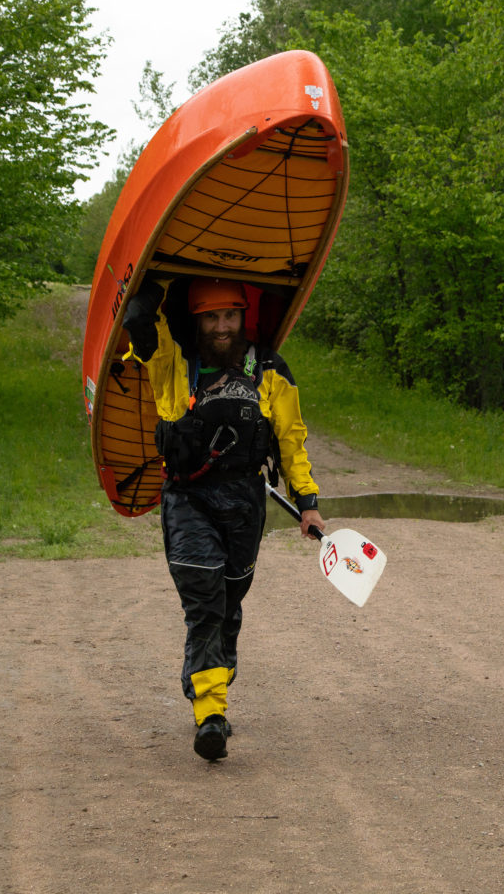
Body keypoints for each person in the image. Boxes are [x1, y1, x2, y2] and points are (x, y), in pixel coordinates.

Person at [122, 275, 325, 762]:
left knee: (229, 601)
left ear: (243, 315)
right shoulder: (173, 359)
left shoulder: (270, 368)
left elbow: (292, 439)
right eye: (211, 317)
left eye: (229, 315)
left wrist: (308, 500)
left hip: (245, 501)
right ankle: (210, 714)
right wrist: (158, 270)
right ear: (197, 319)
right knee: (205, 598)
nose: (221, 326)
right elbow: (136, 320)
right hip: (188, 498)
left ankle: (213, 672)